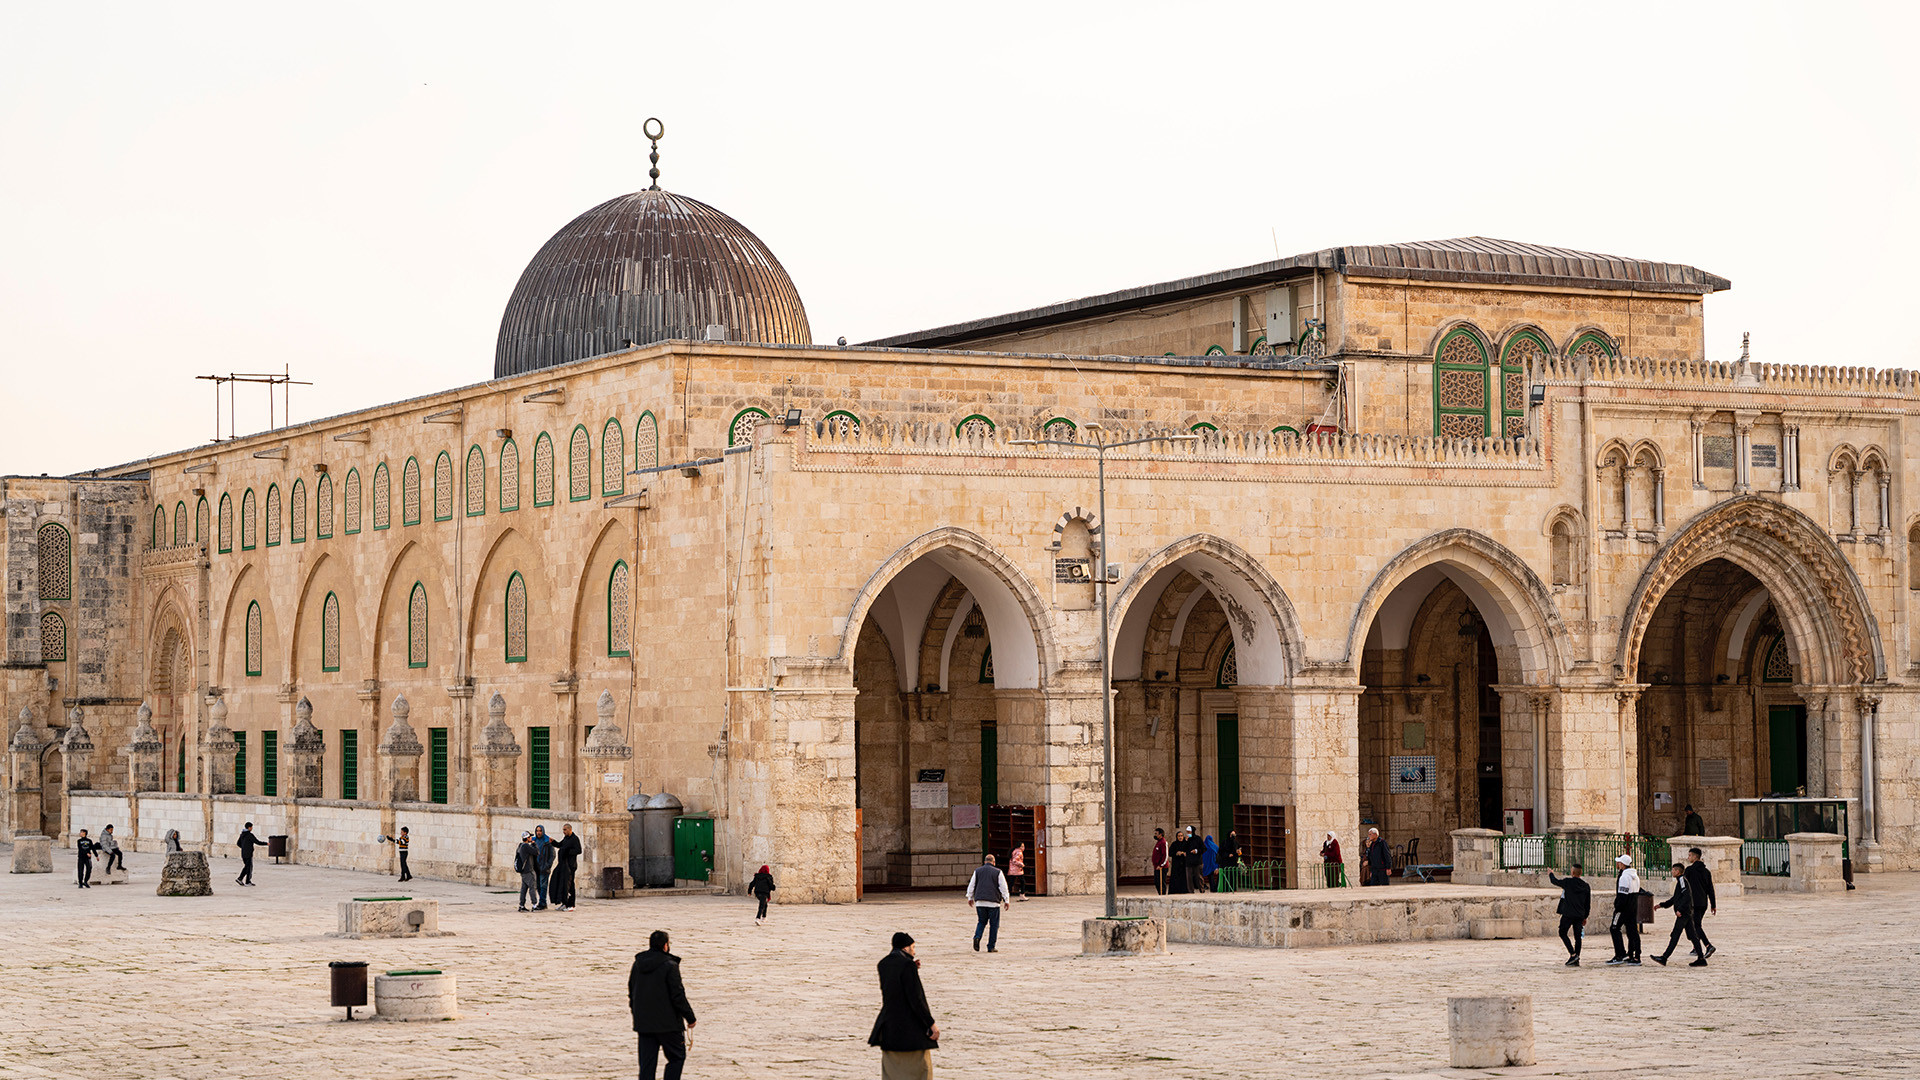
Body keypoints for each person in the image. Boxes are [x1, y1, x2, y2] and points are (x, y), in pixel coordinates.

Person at [628, 929, 697, 1080]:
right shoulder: (670, 965)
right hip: (668, 1024)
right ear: (665, 945)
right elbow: (677, 995)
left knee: (647, 1064)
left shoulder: (638, 964)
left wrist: (637, 1013)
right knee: (677, 1057)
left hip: (645, 1023)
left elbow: (631, 991)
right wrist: (690, 1018)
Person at [870, 931, 939, 1080]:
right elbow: (916, 999)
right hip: (910, 1029)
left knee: (892, 1071)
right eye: (913, 947)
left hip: (889, 1026)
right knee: (921, 1069)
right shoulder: (907, 965)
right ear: (905, 948)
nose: (914, 951)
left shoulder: (883, 964)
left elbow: (895, 982)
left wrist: (912, 968)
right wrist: (931, 1024)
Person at [1650, 863, 1703, 966]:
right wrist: (1662, 905)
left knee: (1675, 935)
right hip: (1686, 912)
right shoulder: (1680, 881)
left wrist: (1680, 910)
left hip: (1684, 913)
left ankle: (1664, 957)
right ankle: (1701, 958)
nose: (1672, 872)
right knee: (1693, 936)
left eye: (1673, 870)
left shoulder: (1682, 880)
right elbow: (1675, 898)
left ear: (1678, 872)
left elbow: (1687, 895)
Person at [1548, 862, 1591, 965]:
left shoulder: (1568, 882)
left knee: (1562, 932)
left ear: (1572, 872)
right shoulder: (1586, 886)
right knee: (1578, 937)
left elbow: (1554, 881)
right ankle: (1577, 958)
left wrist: (1550, 873)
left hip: (1568, 914)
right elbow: (1587, 904)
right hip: (1580, 914)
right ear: (1580, 873)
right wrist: (1585, 917)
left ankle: (1573, 955)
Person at [966, 853, 1010, 952]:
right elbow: (1003, 887)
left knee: (981, 921)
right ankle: (991, 946)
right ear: (994, 862)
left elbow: (972, 885)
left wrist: (970, 897)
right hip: (993, 902)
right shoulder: (998, 872)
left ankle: (977, 937)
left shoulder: (977, 871)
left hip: (980, 901)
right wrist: (1006, 900)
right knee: (994, 925)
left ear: (984, 862)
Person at [1606, 853, 1642, 965]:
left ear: (1622, 864)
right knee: (1632, 932)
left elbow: (1622, 895)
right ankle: (1634, 955)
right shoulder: (1635, 876)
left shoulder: (1624, 877)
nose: (1617, 864)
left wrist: (1617, 908)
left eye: (1619, 863)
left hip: (1623, 909)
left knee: (1614, 928)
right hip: (1633, 907)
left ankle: (1619, 954)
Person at [1682, 846, 1717, 960]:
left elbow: (1685, 888)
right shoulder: (1706, 871)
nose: (1688, 857)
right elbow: (1710, 889)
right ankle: (1695, 947)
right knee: (1696, 925)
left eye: (1690, 855)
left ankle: (1708, 945)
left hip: (1693, 903)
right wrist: (1713, 905)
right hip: (1703, 903)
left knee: (1695, 925)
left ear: (1695, 857)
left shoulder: (1689, 870)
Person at [549, 823, 583, 911]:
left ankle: (571, 905)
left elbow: (578, 850)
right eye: (563, 830)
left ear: (569, 829)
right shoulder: (566, 838)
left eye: (565, 830)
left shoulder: (574, 839)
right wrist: (553, 842)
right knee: (563, 884)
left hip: (570, 866)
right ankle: (565, 903)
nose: (563, 832)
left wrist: (567, 852)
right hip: (563, 865)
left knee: (570, 885)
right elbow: (561, 845)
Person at [531, 825, 556, 910]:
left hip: (544, 867)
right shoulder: (534, 841)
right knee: (538, 885)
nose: (538, 832)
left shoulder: (547, 841)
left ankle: (542, 903)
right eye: (537, 831)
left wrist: (547, 865)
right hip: (536, 867)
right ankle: (542, 902)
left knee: (543, 886)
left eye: (540, 831)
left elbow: (552, 855)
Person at [514, 832, 539, 911]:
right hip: (528, 871)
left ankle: (521, 905)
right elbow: (536, 852)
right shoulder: (526, 846)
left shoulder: (520, 846)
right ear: (527, 838)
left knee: (524, 888)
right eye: (530, 837)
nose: (531, 838)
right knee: (532, 887)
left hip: (523, 871)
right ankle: (534, 905)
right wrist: (534, 844)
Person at [1182, 826, 1206, 893]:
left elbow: (1204, 849)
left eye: (1189, 832)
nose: (1188, 833)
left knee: (1198, 876)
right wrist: (1186, 841)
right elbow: (1183, 848)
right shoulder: (1186, 839)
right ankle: (1190, 891)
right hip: (1188, 861)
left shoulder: (1198, 839)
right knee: (1189, 877)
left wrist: (1196, 851)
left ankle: (1201, 889)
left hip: (1197, 861)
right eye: (1187, 832)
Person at [1167, 827, 1191, 894]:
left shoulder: (1186, 844)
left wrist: (1185, 853)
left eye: (1181, 836)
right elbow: (1170, 853)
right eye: (1179, 836)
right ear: (1177, 837)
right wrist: (1176, 853)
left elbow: (1190, 852)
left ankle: (1184, 890)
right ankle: (1174, 890)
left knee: (1184, 877)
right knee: (1175, 877)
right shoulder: (1174, 844)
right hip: (1176, 864)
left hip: (1184, 863)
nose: (1180, 837)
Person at [1151, 827, 1171, 895]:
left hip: (1161, 867)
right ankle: (1160, 893)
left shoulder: (1163, 842)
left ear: (1161, 834)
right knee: (1157, 882)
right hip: (1157, 866)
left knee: (1161, 882)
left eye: (1156, 834)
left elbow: (1165, 855)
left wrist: (1161, 865)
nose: (1155, 835)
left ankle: (1162, 894)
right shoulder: (1158, 842)